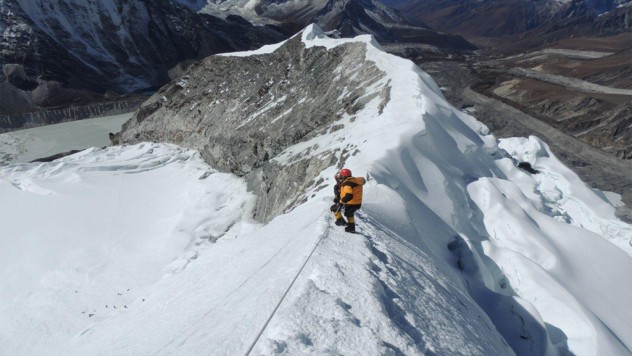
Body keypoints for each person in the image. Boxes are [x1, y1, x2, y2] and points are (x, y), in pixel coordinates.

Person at [330, 168, 366, 233]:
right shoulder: (354, 181)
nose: (340, 177)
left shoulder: (347, 184)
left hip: (351, 203)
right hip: (357, 202)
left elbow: (349, 195)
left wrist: (341, 202)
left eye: (341, 176)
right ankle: (350, 227)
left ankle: (344, 223)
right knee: (349, 213)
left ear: (343, 176)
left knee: (334, 208)